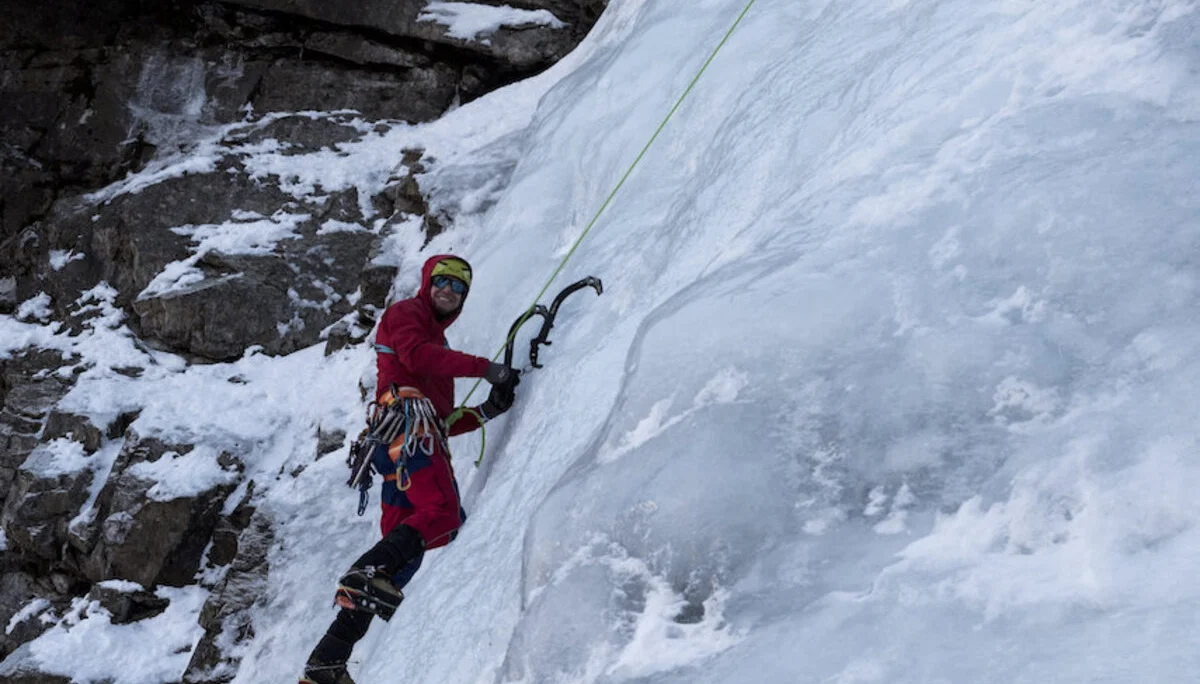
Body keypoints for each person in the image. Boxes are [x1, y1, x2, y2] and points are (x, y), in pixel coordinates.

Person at [301, 254, 520, 684]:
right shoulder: (408, 316)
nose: (449, 291)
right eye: (442, 281)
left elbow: (441, 421)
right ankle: (363, 571)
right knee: (442, 514)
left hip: (405, 438)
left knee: (398, 563)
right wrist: (486, 368)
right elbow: (417, 359)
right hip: (408, 430)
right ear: (427, 282)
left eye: (459, 288)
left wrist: (486, 412)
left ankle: (327, 660)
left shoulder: (434, 340)